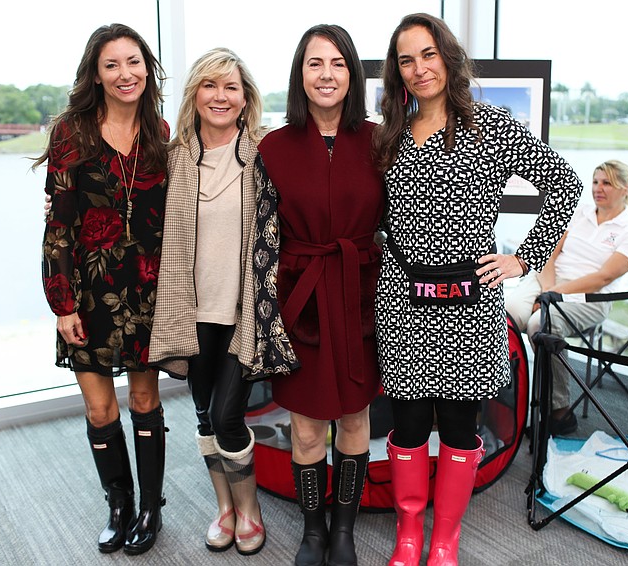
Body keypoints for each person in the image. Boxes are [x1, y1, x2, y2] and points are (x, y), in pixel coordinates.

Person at [370, 13, 583, 566]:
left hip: (468, 302)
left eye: (428, 54)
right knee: (407, 424)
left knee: (460, 425)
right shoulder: (389, 134)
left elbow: (565, 184)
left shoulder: (490, 126)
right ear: (397, 72)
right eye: (406, 60)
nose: (419, 69)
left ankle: (445, 540)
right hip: (402, 300)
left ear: (448, 57)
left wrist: (523, 258)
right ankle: (409, 535)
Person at [250, 24, 385, 566]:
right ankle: (313, 531)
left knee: (354, 417)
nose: (326, 75)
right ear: (299, 75)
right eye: (315, 63)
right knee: (305, 425)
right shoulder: (273, 146)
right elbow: (258, 236)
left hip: (361, 294)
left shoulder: (381, 141)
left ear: (352, 74)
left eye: (337, 63)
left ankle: (344, 531)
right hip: (299, 300)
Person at [36, 23, 169, 556]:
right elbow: (58, 225)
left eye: (133, 62)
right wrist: (61, 303)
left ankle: (151, 507)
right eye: (111, 65)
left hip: (148, 291)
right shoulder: (71, 133)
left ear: (147, 69)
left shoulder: (160, 133)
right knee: (99, 410)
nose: (124, 74)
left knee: (144, 399)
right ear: (96, 74)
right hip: (89, 294)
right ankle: (119, 505)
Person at [147, 47, 267, 556]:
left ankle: (250, 510)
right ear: (194, 94)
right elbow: (126, 205)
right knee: (203, 416)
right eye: (210, 85)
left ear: (245, 98)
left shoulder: (264, 153)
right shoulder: (171, 158)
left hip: (244, 313)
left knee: (227, 417)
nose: (220, 96)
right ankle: (225, 509)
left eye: (231, 87)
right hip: (190, 314)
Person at [505, 159, 628, 436]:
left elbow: (603, 277)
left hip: (589, 296)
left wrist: (554, 296)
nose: (598, 188)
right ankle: (503, 398)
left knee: (540, 325)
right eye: (595, 182)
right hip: (548, 279)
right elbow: (549, 252)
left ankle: (559, 410)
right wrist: (547, 290)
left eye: (607, 183)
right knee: (508, 312)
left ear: (627, 187)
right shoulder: (579, 212)